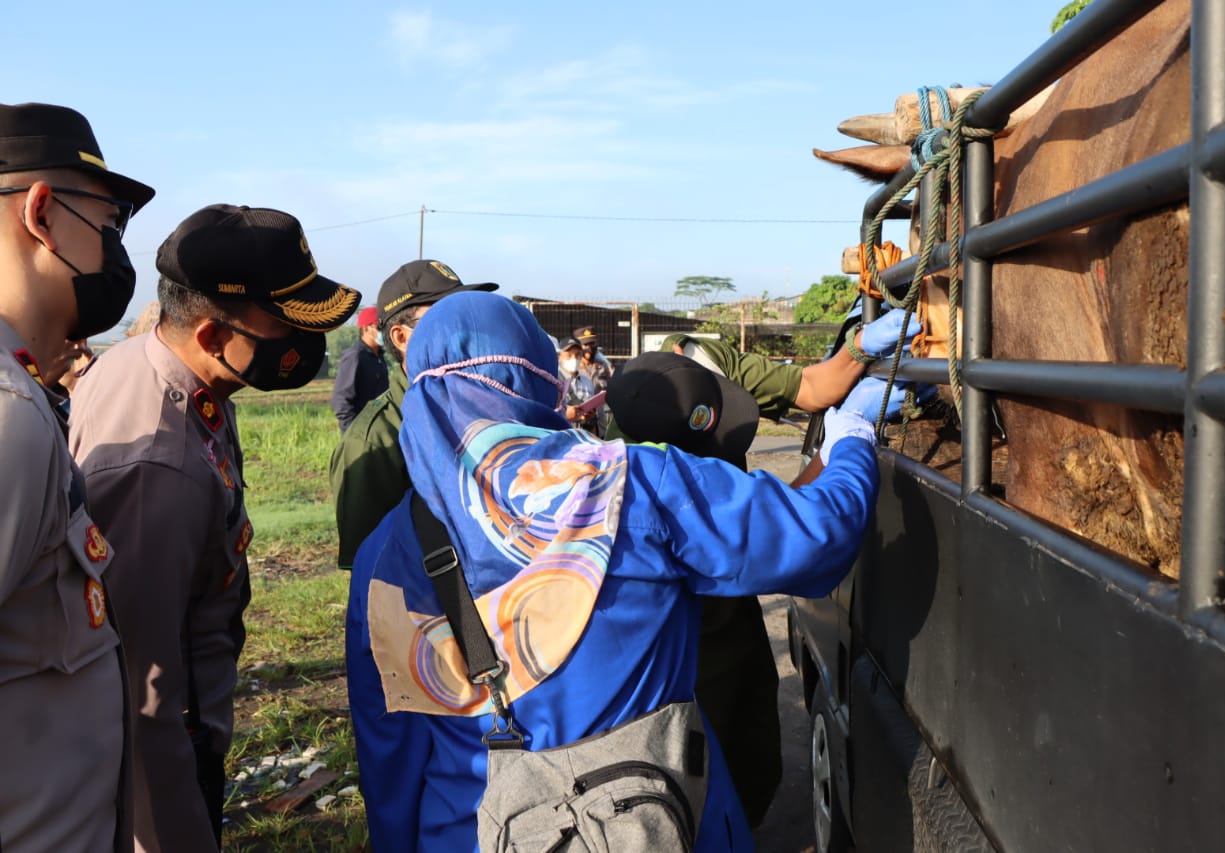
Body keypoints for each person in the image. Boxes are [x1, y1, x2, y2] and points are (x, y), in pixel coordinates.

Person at [346, 291, 882, 851]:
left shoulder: (382, 557)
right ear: (535, 378)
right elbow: (819, 535)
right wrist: (852, 440)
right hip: (650, 820)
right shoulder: (629, 484)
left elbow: (389, 759)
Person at [69, 204, 360, 852]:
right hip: (173, 746)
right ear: (208, 333)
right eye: (282, 323)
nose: (298, 340)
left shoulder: (161, 366)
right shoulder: (160, 466)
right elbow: (144, 701)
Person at [0, 101, 153, 853]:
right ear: (40, 213)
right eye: (109, 225)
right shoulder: (6, 418)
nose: (116, 253)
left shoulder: (23, 394)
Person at [605, 351, 782, 828]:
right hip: (705, 687)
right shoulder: (679, 504)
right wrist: (842, 449)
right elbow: (788, 538)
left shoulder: (609, 471)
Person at [329, 258, 497, 571]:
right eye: (443, 319)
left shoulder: (481, 407)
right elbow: (375, 570)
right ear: (401, 337)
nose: (460, 331)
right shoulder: (375, 441)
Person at [657, 304, 921, 420]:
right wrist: (846, 432)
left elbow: (808, 387)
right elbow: (780, 521)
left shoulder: (704, 360)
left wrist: (858, 348)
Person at [331, 305, 389, 431]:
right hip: (360, 430)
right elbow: (341, 400)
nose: (384, 331)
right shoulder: (355, 357)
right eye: (379, 327)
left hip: (379, 427)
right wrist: (353, 433)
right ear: (366, 328)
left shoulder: (379, 357)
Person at [556, 336, 601, 432]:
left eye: (577, 355)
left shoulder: (587, 382)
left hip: (583, 437)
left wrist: (590, 416)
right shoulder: (553, 380)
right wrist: (564, 414)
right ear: (559, 356)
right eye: (569, 355)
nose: (574, 359)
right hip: (561, 437)